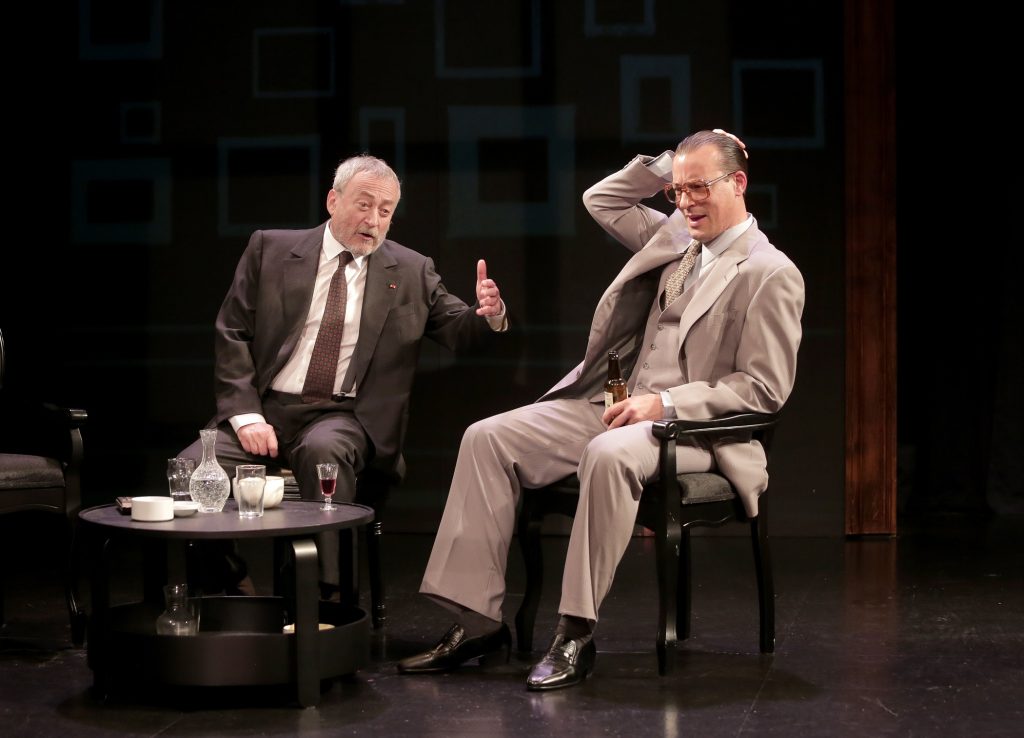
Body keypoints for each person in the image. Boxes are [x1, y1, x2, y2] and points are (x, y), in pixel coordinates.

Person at [398, 130, 805, 689]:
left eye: (700, 188)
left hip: (696, 431)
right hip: (620, 405)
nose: (686, 202)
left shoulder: (770, 272)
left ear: (738, 183)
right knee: (487, 437)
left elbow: (764, 388)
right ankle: (477, 622)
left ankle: (575, 633)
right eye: (678, 190)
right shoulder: (674, 234)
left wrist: (665, 402)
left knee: (608, 454)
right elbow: (602, 199)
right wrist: (676, 161)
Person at [180, 153, 506, 593]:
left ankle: (319, 600)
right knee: (190, 468)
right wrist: (247, 416)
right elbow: (232, 330)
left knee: (324, 452)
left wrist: (488, 314)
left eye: (385, 211)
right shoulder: (270, 250)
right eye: (364, 205)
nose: (374, 220)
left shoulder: (411, 270)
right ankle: (229, 587)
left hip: (343, 417)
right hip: (267, 409)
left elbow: (459, 330)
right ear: (333, 201)